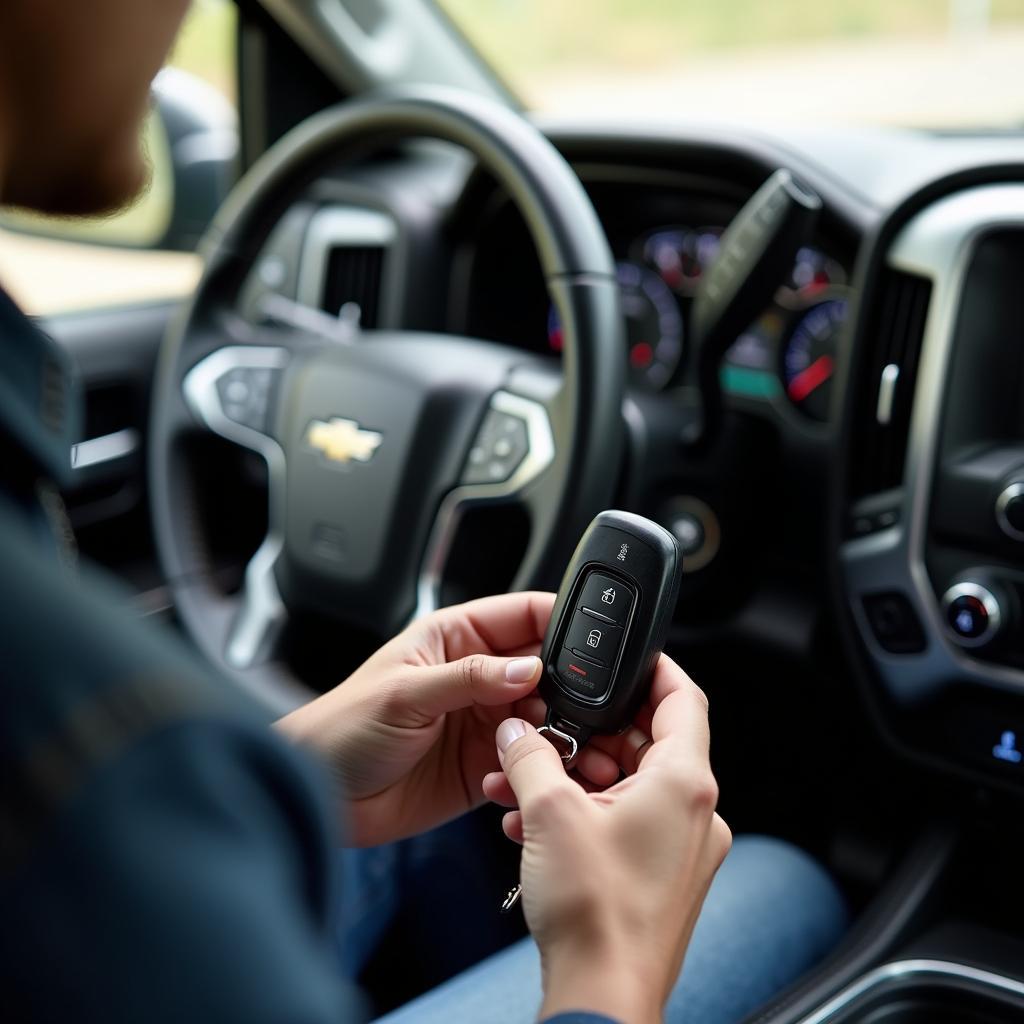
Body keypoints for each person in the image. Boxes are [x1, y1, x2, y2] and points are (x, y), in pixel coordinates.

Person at [0, 2, 847, 1022]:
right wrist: (610, 957)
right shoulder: (99, 752)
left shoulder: (127, 759)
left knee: (441, 824)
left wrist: (293, 767)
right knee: (783, 881)